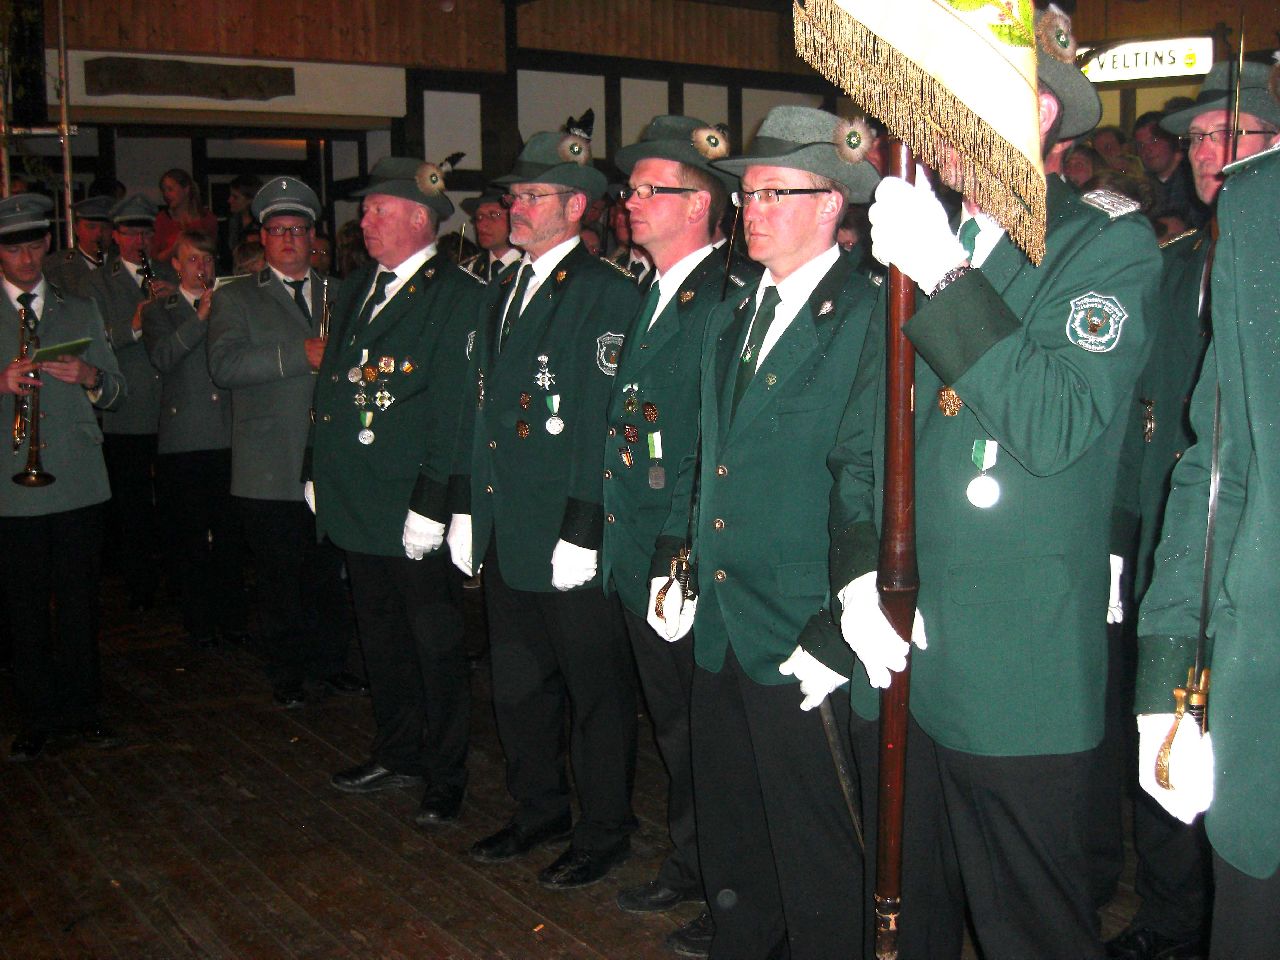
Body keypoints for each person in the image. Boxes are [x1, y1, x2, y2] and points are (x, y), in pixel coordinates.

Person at [821, 12, 1160, 958]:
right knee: (909, 918)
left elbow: (1054, 424)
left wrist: (945, 271)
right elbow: (862, 441)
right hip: (903, 644)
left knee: (1030, 932)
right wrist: (858, 573)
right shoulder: (915, 243)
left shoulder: (1101, 246)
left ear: (1039, 112)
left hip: (1015, 667)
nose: (935, 124)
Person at [647, 105, 880, 960]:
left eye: (776, 193)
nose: (753, 210)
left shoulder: (870, 314)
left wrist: (839, 623)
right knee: (735, 825)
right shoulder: (736, 310)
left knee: (818, 842)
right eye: (748, 195)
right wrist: (678, 555)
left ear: (831, 203)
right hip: (723, 613)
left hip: (801, 619)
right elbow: (709, 450)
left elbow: (873, 480)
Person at [1108, 61, 1280, 960]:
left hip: (1249, 551)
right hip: (1174, 528)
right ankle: (1171, 913)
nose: (1211, 153)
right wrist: (1121, 535)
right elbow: (1147, 410)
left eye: (1232, 135)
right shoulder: (1176, 264)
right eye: (1201, 138)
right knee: (1170, 729)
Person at [447, 128, 642, 890]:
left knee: (596, 693)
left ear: (577, 206)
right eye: (515, 195)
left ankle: (605, 829)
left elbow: (602, 420)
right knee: (519, 685)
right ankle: (539, 810)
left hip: (568, 531)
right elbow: (484, 411)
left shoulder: (605, 293)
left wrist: (585, 525)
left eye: (533, 196)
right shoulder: (501, 290)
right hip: (511, 526)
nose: (516, 206)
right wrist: (468, 508)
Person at [602, 114, 756, 957]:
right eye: (629, 190)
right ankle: (696, 861)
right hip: (639, 542)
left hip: (682, 552)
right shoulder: (654, 290)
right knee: (675, 725)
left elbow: (708, 441)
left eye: (647, 190)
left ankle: (728, 882)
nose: (629, 202)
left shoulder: (723, 298)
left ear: (699, 204)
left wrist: (678, 553)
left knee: (709, 733)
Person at [313, 158, 484, 827]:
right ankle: (398, 750)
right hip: (357, 495)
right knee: (380, 637)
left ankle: (446, 772)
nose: (365, 221)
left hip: (414, 501)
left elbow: (453, 411)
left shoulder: (456, 294)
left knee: (434, 643)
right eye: (366, 211)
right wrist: (315, 464)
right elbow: (333, 383)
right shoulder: (358, 285)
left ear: (420, 218)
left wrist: (434, 501)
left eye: (378, 210)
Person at [207, 177, 358, 708]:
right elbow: (224, 366)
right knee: (279, 578)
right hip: (270, 464)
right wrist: (300, 355)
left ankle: (331, 663)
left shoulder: (343, 292)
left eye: (298, 230)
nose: (289, 239)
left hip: (333, 460)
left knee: (328, 574)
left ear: (313, 237)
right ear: (263, 238)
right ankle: (287, 671)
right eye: (278, 231)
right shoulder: (236, 297)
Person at [0, 193, 127, 762]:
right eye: (14, 250)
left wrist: (91, 375)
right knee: (24, 607)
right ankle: (36, 716)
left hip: (76, 477)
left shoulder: (79, 308)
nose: (26, 259)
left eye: (34, 246)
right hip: (9, 481)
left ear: (48, 244)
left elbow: (118, 390)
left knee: (80, 603)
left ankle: (84, 708)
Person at [140, 230, 246, 649]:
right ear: (176, 266)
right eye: (192, 260)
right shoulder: (159, 310)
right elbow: (163, 357)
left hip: (228, 434)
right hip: (184, 440)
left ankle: (233, 619)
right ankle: (199, 622)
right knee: (191, 539)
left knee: (229, 536)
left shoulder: (232, 304)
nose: (201, 268)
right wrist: (199, 318)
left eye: (207, 259)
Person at [86, 194, 175, 613]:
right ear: (115, 235)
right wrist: (135, 324)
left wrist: (175, 304)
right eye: (131, 233)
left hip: (171, 408)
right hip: (128, 410)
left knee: (173, 503)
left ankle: (177, 582)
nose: (140, 241)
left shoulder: (167, 274)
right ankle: (140, 587)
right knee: (133, 506)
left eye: (145, 233)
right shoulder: (96, 284)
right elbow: (92, 343)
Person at [1134, 112, 1209, 229]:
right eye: (1141, 145)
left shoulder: (1197, 178)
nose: (1147, 150)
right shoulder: (1142, 186)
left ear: (1171, 139)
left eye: (1154, 140)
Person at [44, 195, 114, 294]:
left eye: (105, 227)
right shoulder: (56, 266)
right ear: (76, 229)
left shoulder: (123, 262)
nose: (99, 233)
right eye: (91, 227)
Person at [151, 168, 217, 262]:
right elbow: (155, 257)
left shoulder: (207, 218)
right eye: (163, 191)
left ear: (186, 189)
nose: (166, 194)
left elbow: (212, 253)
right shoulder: (162, 219)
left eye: (170, 189)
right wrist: (175, 248)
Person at [458, 189, 520, 282]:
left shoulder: (533, 267)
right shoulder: (468, 271)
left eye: (494, 215)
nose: (482, 225)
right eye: (479, 217)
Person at [221, 174, 261, 272]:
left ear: (250, 200)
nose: (229, 200)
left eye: (235, 197)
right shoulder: (228, 225)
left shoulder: (262, 225)